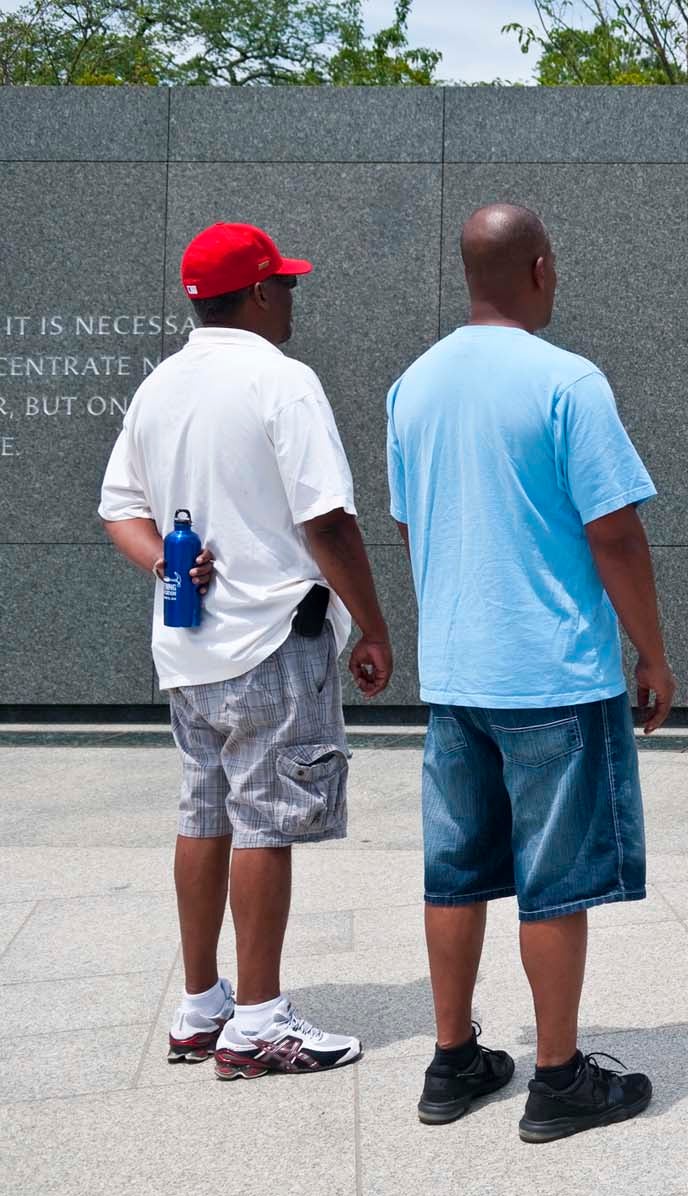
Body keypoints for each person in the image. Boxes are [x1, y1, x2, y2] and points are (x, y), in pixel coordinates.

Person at [387, 203, 676, 1143]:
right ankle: (557, 1079)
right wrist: (653, 652)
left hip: (456, 675)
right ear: (542, 269)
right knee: (556, 883)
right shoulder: (568, 382)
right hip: (553, 673)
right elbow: (615, 532)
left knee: (456, 873)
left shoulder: (413, 386)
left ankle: (452, 1060)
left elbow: (409, 521)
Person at [98, 222, 393, 1080]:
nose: (293, 299)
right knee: (266, 821)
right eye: (286, 285)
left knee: (204, 815)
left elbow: (120, 508)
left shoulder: (159, 387)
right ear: (259, 292)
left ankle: (200, 1007)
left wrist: (167, 562)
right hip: (273, 633)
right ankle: (259, 1022)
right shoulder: (282, 380)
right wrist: (371, 625)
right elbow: (327, 519)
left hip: (190, 641)